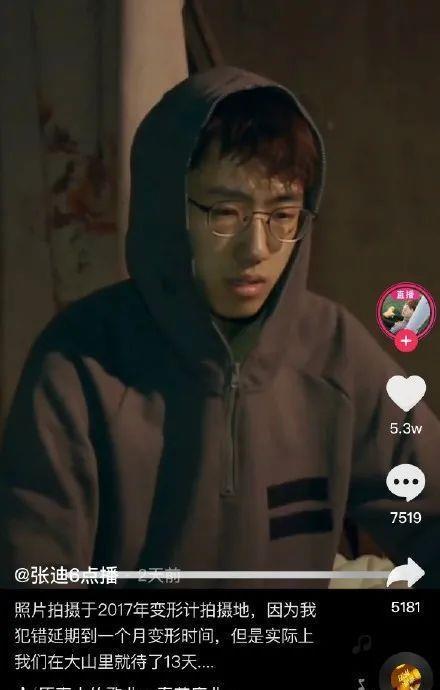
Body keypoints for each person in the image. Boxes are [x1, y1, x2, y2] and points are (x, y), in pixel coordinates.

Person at [1, 66, 440, 589]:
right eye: (226, 213)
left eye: (283, 215)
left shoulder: (334, 350)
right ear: (167, 208)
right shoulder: (81, 363)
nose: (257, 249)